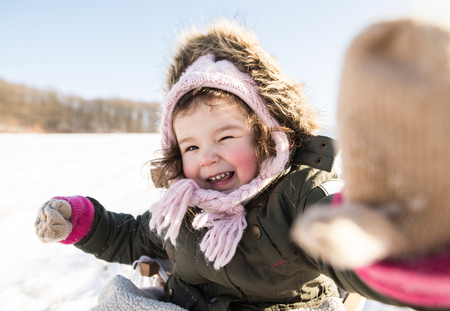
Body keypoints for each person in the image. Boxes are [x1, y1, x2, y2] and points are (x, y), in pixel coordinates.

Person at [34, 19, 448, 311]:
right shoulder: (184, 209)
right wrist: (80, 220)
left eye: (226, 137)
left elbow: (343, 241)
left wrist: (402, 252)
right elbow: (129, 236)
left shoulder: (298, 194)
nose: (207, 156)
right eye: (190, 146)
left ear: (267, 135)